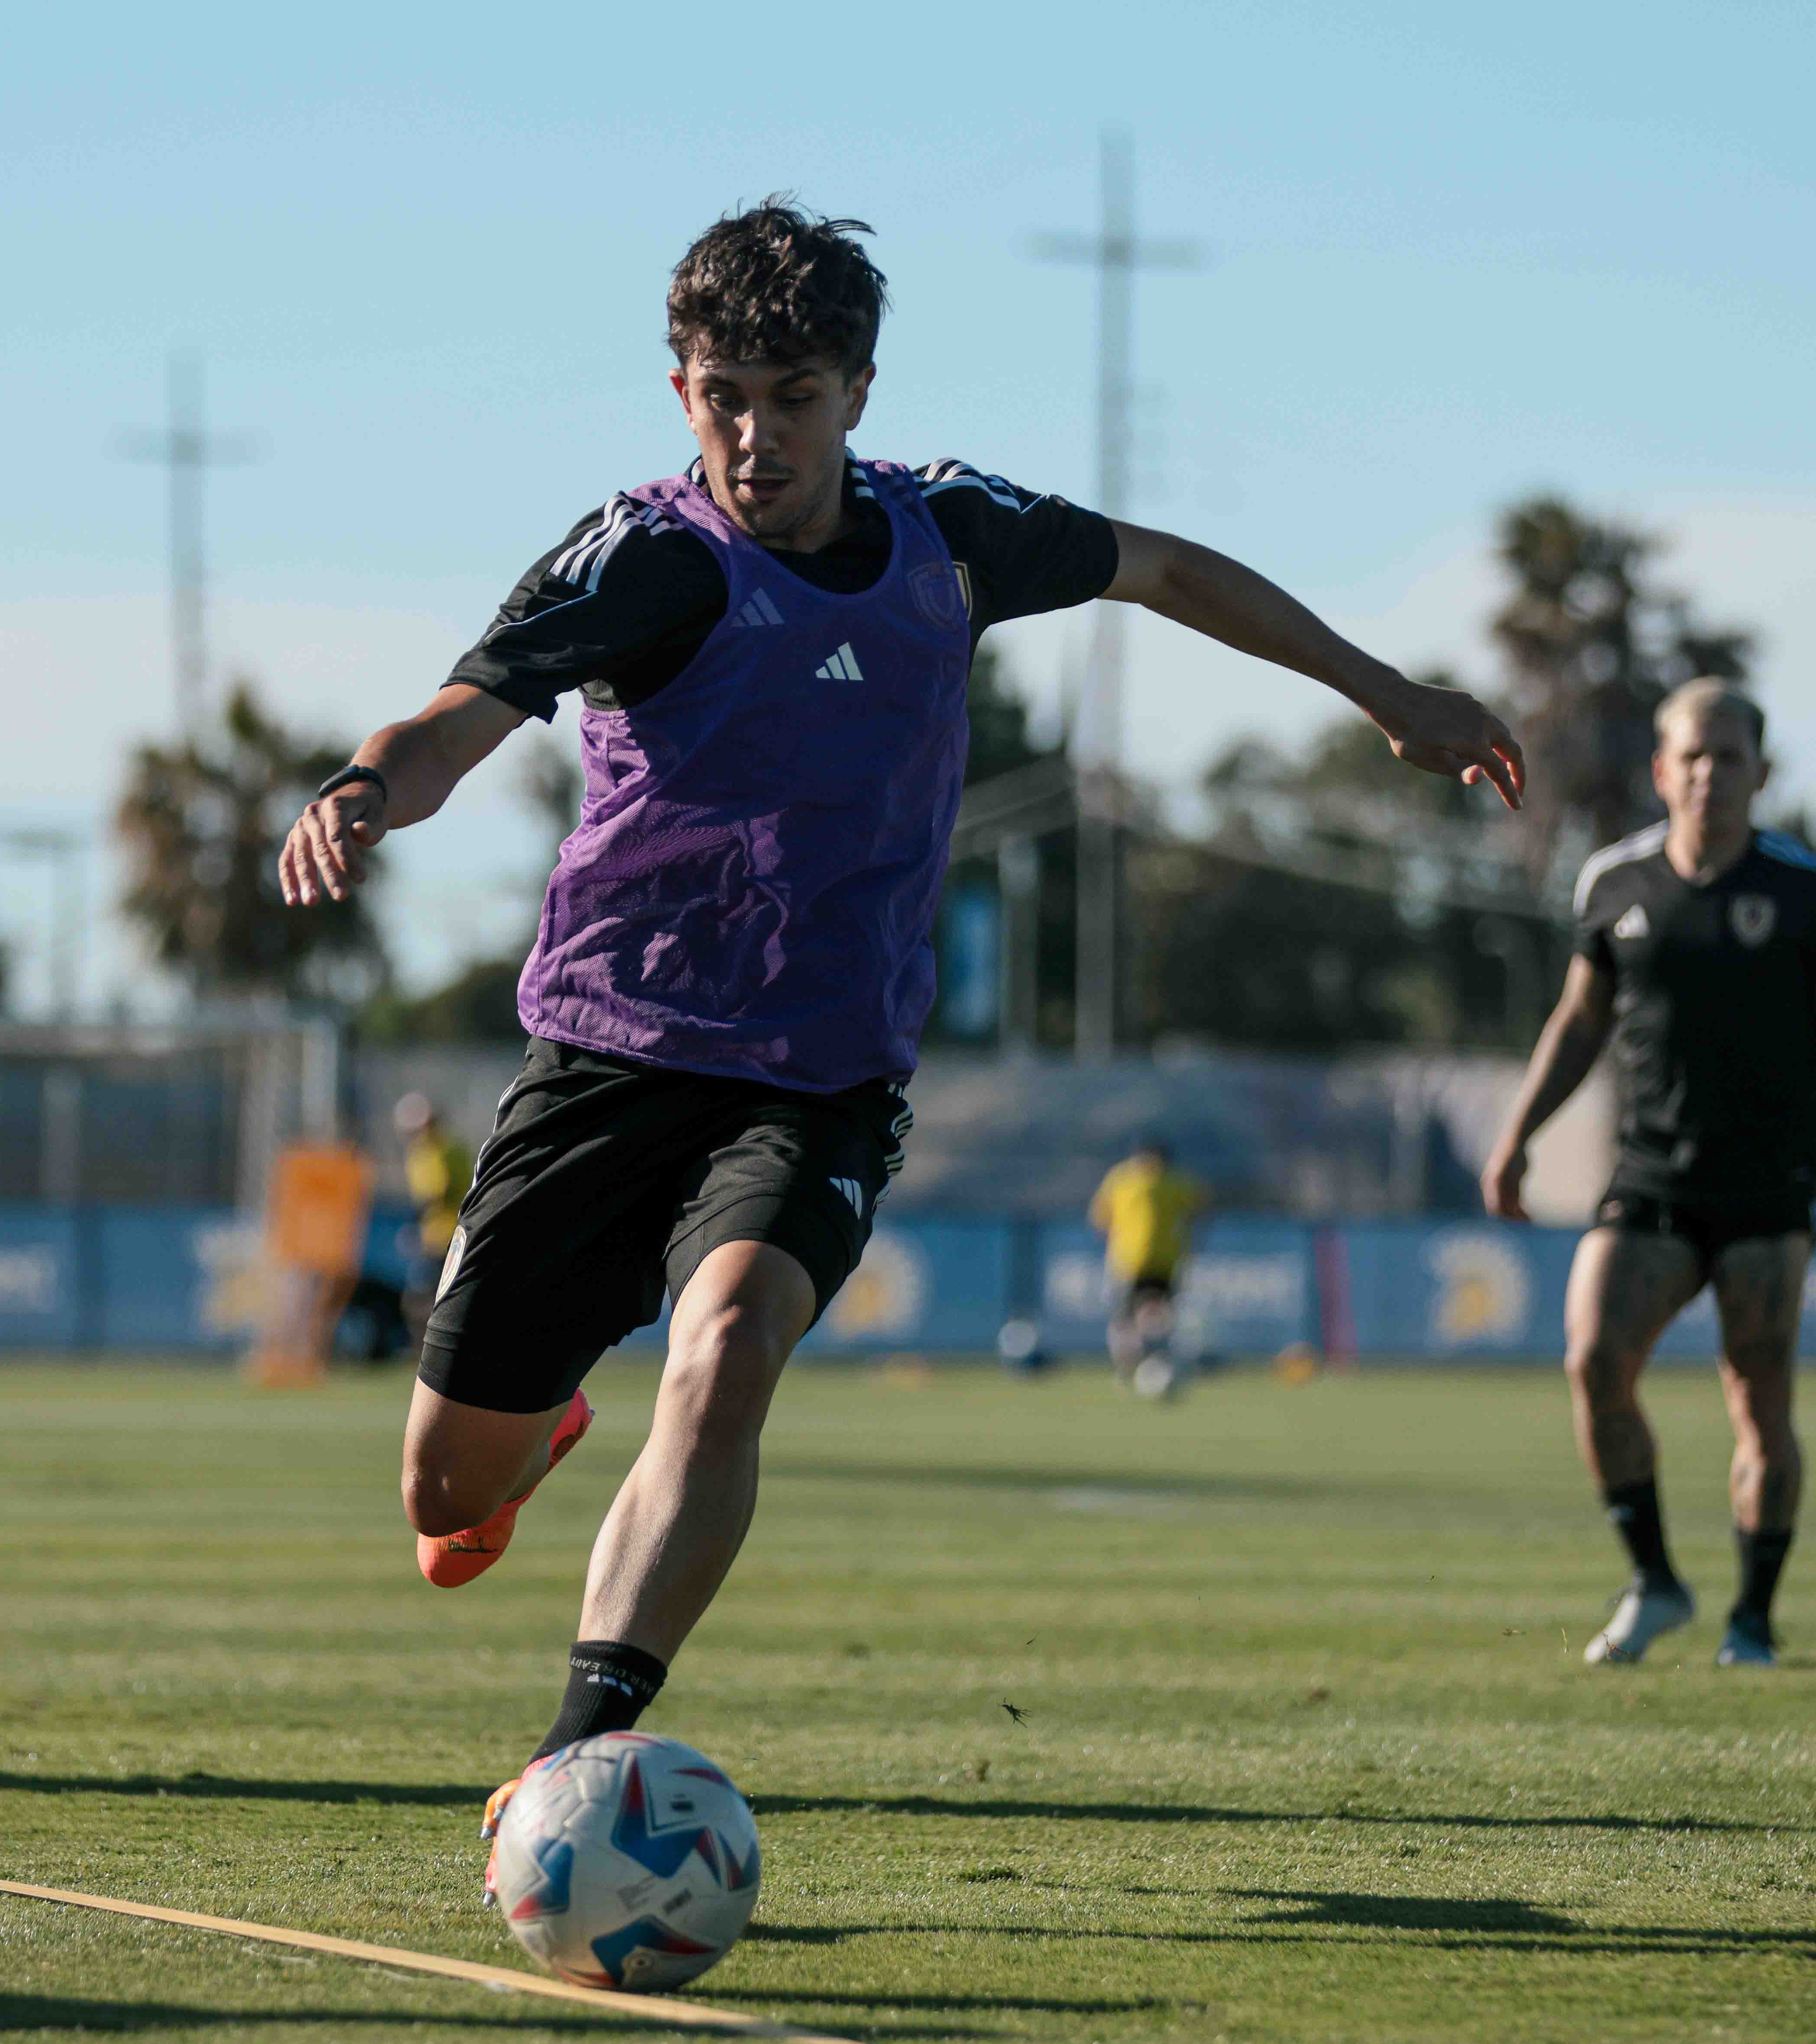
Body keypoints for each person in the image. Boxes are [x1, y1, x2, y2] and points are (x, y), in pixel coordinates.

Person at [279, 199, 1522, 1832]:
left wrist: (1391, 697)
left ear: (857, 392)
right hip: (606, 1062)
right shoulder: (648, 556)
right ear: (680, 392)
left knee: (725, 1350)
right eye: (724, 393)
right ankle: (552, 1410)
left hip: (812, 1084)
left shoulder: (952, 535)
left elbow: (1164, 569)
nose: (755, 432)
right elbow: (462, 712)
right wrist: (371, 789)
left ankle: (577, 1754)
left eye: (791, 396)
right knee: (445, 1491)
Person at [1481, 680, 1816, 1670]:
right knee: (1592, 1362)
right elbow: (1577, 1023)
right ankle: (1654, 1583)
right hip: (1648, 1178)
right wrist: (1516, 1135)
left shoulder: (1803, 891)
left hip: (1766, 1189)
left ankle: (1751, 1621)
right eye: (1689, 756)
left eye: (1727, 757)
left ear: (1759, 773)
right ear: (1660, 771)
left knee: (1758, 1401)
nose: (1707, 774)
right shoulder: (1613, 884)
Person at [1089, 1135, 1203, 1390]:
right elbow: (1100, 1216)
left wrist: (1189, 1242)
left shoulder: (1176, 1182)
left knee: (1160, 1316)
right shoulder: (1121, 1180)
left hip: (1165, 1260)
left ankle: (1155, 1364)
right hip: (1129, 1262)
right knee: (1125, 1317)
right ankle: (1126, 1367)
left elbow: (1198, 1211)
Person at [391, 1092, 471, 1343]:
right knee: (441, 1298)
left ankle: (430, 1350)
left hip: (441, 1237)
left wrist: (415, 1228)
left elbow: (435, 1193)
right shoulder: (452, 1146)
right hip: (456, 1233)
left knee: (425, 1299)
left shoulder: (430, 1151)